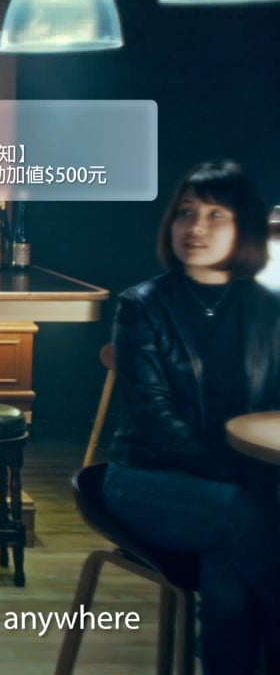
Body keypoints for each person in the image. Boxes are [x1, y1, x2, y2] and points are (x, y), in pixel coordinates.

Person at [103, 160, 280, 674]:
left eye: (215, 215)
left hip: (235, 491)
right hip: (147, 478)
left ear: (245, 227)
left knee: (232, 594)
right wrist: (233, 473)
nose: (196, 227)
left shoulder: (269, 310)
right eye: (186, 212)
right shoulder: (141, 306)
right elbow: (153, 419)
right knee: (243, 515)